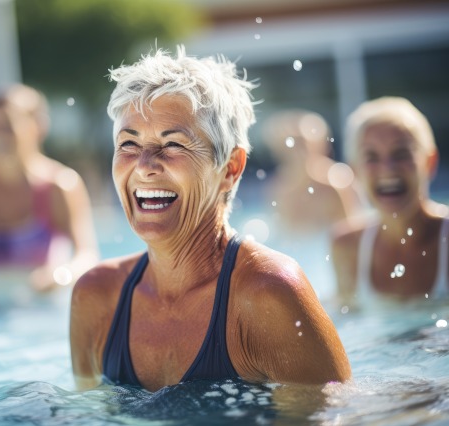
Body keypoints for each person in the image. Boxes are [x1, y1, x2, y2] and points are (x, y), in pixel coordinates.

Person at [70, 46, 351, 392]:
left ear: (230, 169)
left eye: (173, 144)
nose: (144, 166)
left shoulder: (269, 296)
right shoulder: (97, 298)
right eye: (128, 143)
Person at [0, 83, 99, 306]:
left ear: (38, 126)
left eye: (7, 125)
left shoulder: (60, 186)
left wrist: (58, 277)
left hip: (43, 311)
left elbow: (88, 258)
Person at [331, 96, 449, 309]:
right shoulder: (348, 247)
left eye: (401, 153)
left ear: (429, 162)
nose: (388, 168)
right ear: (355, 170)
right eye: (371, 157)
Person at [262, 108, 362, 234]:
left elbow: (350, 236)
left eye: (301, 144)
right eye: (290, 144)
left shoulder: (336, 183)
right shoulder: (278, 186)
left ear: (319, 146)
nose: (295, 151)